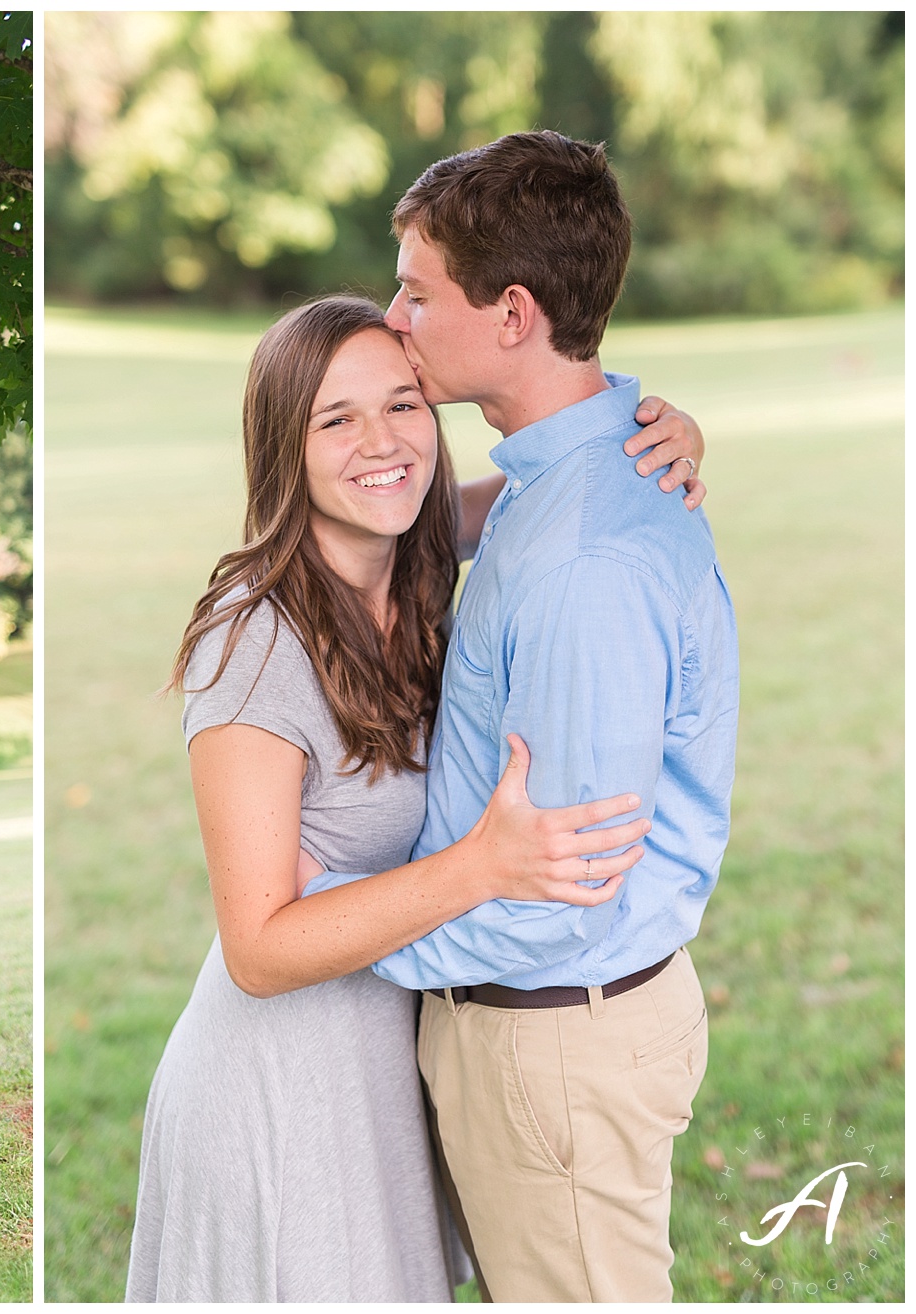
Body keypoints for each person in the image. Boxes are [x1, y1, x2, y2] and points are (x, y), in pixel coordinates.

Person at [124, 295, 709, 1301]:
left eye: (403, 405)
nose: (381, 443)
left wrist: (656, 431)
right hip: (281, 1085)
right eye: (335, 419)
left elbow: (551, 479)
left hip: (390, 1063)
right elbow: (260, 948)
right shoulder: (251, 641)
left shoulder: (422, 557)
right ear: (283, 447)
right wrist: (482, 866)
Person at [359, 130, 738, 1302]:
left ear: (512, 313)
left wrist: (354, 942)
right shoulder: (560, 475)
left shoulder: (584, 556)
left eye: (418, 294)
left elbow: (562, 885)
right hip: (543, 1033)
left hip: (550, 1040)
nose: (395, 317)